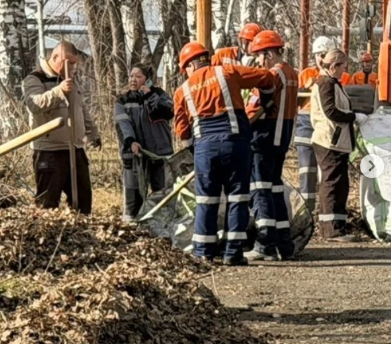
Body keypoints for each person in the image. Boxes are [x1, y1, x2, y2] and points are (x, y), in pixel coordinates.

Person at [173, 42, 277, 265]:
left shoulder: (182, 91)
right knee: (237, 198)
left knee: (206, 200)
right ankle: (232, 253)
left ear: (189, 66)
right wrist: (267, 99)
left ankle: (203, 252)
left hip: (204, 149)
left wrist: (194, 148)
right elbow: (266, 77)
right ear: (205, 58)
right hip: (235, 143)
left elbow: (182, 130)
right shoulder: (227, 71)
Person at [23, 41, 101, 213]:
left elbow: (80, 108)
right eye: (69, 63)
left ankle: (81, 235)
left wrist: (93, 132)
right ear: (55, 57)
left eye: (74, 63)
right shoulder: (35, 79)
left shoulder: (70, 80)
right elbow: (35, 104)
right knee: (47, 203)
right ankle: (48, 237)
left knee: (83, 201)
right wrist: (59, 91)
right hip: (50, 152)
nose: (72, 67)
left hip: (75, 148)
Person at [243, 31, 299, 261]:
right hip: (282, 136)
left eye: (259, 56)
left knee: (260, 188)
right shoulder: (292, 74)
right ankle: (284, 244)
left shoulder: (272, 76)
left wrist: (240, 125)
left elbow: (256, 106)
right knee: (275, 188)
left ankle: (265, 244)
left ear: (268, 53)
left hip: (265, 136)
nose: (258, 61)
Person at [311, 48, 364, 242]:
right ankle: (331, 229)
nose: (345, 71)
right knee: (332, 183)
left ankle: (337, 226)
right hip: (329, 140)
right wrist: (353, 117)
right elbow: (331, 111)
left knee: (339, 183)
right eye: (343, 67)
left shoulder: (330, 82)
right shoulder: (326, 83)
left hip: (335, 140)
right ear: (333, 66)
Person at [113, 64, 174, 221]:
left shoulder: (159, 95)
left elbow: (167, 112)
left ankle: (161, 224)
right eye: (131, 76)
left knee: (162, 192)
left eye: (138, 76)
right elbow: (123, 124)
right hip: (134, 155)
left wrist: (149, 97)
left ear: (147, 80)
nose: (133, 79)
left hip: (159, 153)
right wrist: (131, 141)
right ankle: (131, 225)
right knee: (134, 194)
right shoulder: (123, 100)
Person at [294, 35, 336, 216]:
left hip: (325, 127)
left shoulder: (337, 76)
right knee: (307, 171)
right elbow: (295, 98)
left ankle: (325, 212)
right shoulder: (305, 75)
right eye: (318, 54)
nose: (320, 58)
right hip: (305, 126)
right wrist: (305, 88)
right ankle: (307, 213)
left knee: (325, 173)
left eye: (324, 54)